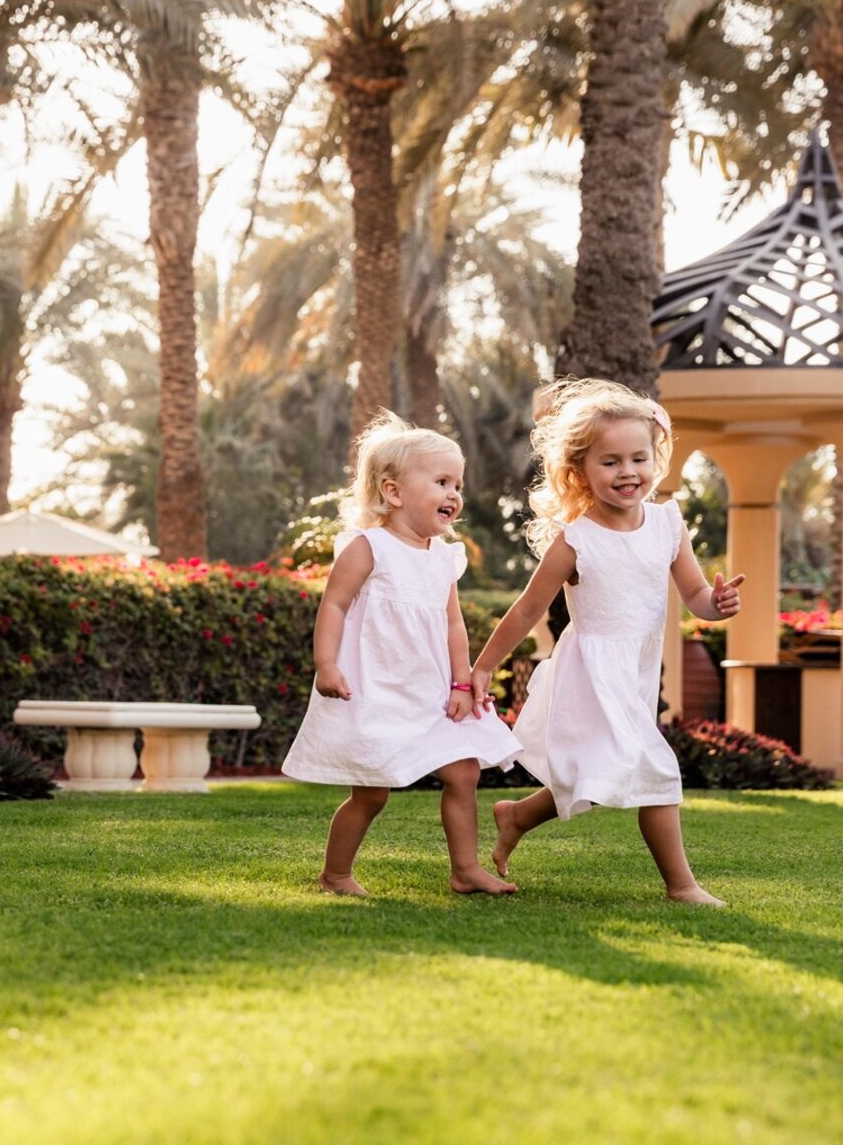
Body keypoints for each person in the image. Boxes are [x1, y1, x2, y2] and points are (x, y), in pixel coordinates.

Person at [468, 378, 743, 906]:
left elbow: (695, 596)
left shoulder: (667, 524)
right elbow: (526, 609)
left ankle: (517, 816)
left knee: (597, 775)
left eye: (638, 458)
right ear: (579, 472)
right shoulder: (576, 540)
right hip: (591, 673)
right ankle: (682, 886)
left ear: (655, 458)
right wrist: (483, 668)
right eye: (610, 462)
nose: (628, 472)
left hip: (636, 671)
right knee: (655, 770)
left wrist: (718, 603)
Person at [283, 412, 522, 896]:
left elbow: (453, 626)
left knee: (464, 770)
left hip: (430, 691)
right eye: (441, 482)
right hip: (376, 689)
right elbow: (334, 605)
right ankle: (335, 873)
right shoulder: (369, 547)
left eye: (458, 484)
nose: (454, 494)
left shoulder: (444, 558)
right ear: (393, 493)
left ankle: (465, 870)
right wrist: (326, 664)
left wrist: (461, 683)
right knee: (371, 793)